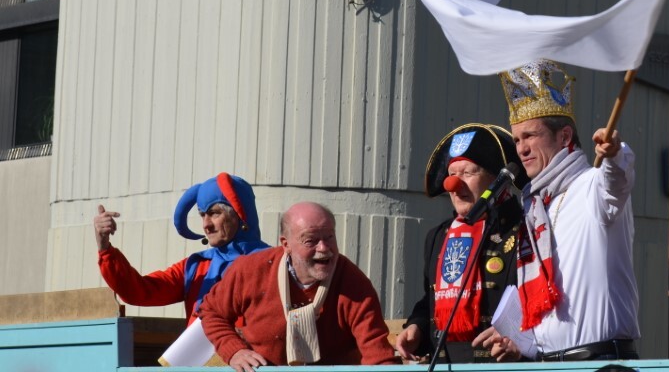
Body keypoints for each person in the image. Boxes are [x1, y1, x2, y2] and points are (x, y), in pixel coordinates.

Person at [473, 59, 640, 362]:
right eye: (517, 139)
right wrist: (520, 340)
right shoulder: (535, 207)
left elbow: (617, 180)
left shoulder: (592, 186)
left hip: (599, 361)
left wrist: (614, 152)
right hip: (548, 363)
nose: (521, 149)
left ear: (564, 137)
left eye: (530, 136)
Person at [198, 201, 398, 371]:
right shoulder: (251, 270)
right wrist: (234, 350)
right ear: (286, 244)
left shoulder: (353, 284)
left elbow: (378, 356)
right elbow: (211, 311)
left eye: (329, 237)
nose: (324, 248)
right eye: (311, 241)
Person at [396, 123, 528, 363]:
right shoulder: (438, 236)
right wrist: (417, 327)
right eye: (452, 174)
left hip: (499, 364)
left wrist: (518, 337)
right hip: (446, 364)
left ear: (497, 180)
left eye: (468, 173)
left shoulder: (524, 229)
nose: (454, 185)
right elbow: (430, 300)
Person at [94, 172, 268, 323]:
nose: (206, 225)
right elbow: (139, 291)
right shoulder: (195, 267)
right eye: (202, 215)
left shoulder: (271, 264)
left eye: (214, 213)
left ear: (239, 214)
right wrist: (104, 247)